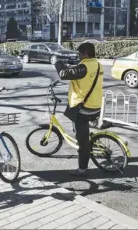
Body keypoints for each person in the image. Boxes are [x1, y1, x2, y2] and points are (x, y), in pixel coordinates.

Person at [54, 42, 104, 176]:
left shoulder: (84, 68)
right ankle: (83, 135)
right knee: (77, 124)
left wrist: (58, 63)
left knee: (83, 143)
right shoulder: (98, 64)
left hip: (83, 108)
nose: (78, 56)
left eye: (80, 53)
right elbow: (78, 72)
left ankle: (82, 169)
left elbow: (64, 74)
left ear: (86, 53)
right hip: (96, 106)